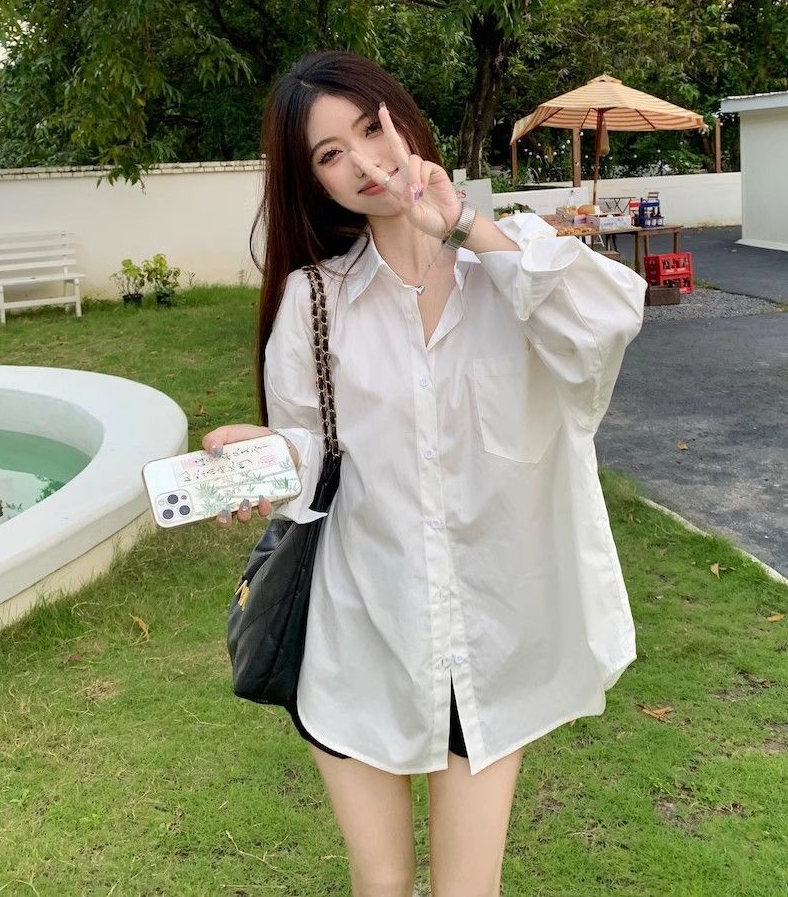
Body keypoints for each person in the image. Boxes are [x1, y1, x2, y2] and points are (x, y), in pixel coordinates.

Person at [202, 50, 648, 897]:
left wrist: (466, 225)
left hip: (490, 643)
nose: (365, 163)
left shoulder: (512, 266)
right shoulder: (314, 300)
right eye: (330, 154)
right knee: (382, 886)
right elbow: (308, 462)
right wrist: (264, 456)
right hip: (360, 637)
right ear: (313, 181)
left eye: (369, 129)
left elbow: (604, 327)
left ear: (403, 120)